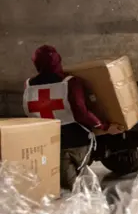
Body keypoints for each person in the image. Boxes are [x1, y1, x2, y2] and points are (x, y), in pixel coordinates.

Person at [23, 45, 122, 190]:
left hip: (46, 145)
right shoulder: (70, 82)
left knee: (63, 187)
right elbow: (81, 113)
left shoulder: (28, 85)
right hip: (75, 143)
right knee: (75, 188)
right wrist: (106, 127)